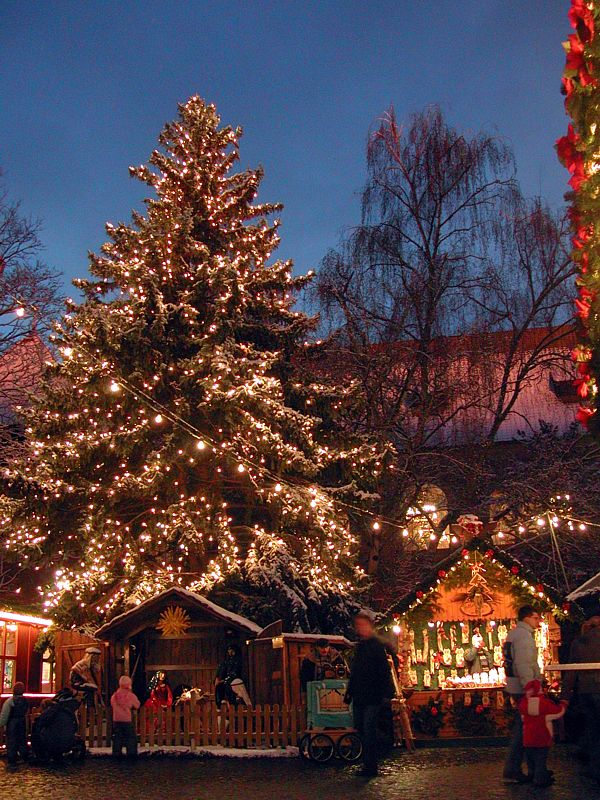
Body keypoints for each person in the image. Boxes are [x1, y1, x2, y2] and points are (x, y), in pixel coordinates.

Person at [344, 611, 395, 777]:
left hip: (373, 695)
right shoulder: (361, 647)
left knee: (369, 729)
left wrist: (386, 693)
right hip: (360, 695)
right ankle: (369, 762)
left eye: (363, 625)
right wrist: (350, 692)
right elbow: (356, 672)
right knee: (361, 728)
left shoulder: (376, 646)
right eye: (358, 625)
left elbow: (384, 671)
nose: (361, 628)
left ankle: (371, 765)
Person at [502, 605, 542, 784]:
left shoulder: (514, 634)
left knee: (525, 726)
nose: (538, 621)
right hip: (524, 688)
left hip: (516, 686)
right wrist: (530, 686)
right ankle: (516, 768)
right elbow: (524, 663)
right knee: (525, 728)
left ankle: (526, 767)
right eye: (536, 617)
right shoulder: (524, 637)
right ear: (527, 617)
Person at [561, 614, 600, 781]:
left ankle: (594, 766)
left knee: (593, 728)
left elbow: (571, 671)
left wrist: (565, 696)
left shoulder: (579, 642)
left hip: (586, 690)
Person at [518, 679, 567, 788]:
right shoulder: (545, 704)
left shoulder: (524, 704)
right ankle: (540, 778)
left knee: (531, 759)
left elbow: (522, 717)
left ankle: (532, 774)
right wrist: (563, 704)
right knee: (541, 759)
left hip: (528, 737)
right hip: (543, 736)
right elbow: (558, 712)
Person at [0, 681, 28, 770]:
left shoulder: (10, 701)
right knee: (22, 740)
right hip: (21, 722)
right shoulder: (25, 701)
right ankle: (23, 757)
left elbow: (4, 715)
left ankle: (12, 761)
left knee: (12, 741)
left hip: (12, 723)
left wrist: (1, 724)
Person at [111, 675, 140, 758]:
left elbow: (112, 704)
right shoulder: (130, 696)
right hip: (127, 720)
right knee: (130, 738)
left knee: (117, 738)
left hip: (116, 720)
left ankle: (116, 755)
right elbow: (137, 705)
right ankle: (131, 755)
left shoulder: (114, 696)